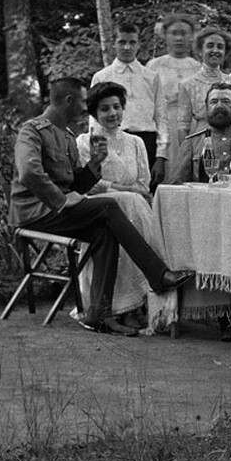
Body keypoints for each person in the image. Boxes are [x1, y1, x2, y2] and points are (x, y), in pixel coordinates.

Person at [8, 77, 191, 334]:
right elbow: (29, 174)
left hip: (58, 213)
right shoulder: (32, 130)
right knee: (108, 207)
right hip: (34, 213)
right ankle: (157, 275)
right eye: (83, 101)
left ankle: (99, 315)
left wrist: (96, 161)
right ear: (68, 101)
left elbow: (77, 186)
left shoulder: (67, 135)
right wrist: (62, 201)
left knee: (104, 233)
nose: (86, 107)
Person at [76, 82, 155, 332]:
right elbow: (90, 185)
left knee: (134, 204)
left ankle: (135, 305)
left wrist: (131, 192)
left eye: (117, 107)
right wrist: (125, 191)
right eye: (104, 109)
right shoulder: (85, 142)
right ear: (94, 113)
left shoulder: (135, 142)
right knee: (127, 201)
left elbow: (143, 183)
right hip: (98, 209)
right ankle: (121, 307)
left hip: (133, 209)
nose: (112, 114)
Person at [91, 20, 169, 189]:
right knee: (116, 190)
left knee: (146, 192)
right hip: (113, 140)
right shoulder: (102, 77)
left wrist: (161, 156)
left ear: (138, 45)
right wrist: (97, 151)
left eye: (132, 42)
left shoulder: (151, 77)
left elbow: (161, 117)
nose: (127, 47)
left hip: (147, 141)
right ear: (113, 44)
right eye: (122, 42)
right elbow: (94, 118)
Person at [146, 13, 201, 171]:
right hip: (164, 124)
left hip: (192, 125)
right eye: (174, 33)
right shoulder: (154, 66)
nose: (179, 39)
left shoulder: (198, 67)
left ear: (191, 36)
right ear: (165, 35)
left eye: (183, 34)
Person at [166, 82, 231, 184]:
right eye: (214, 102)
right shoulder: (192, 143)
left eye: (226, 101)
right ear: (206, 108)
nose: (219, 106)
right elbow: (176, 185)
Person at [176, 25, 231, 144]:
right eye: (210, 46)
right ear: (200, 50)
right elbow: (183, 126)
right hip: (202, 143)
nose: (215, 50)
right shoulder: (188, 85)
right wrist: (186, 154)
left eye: (220, 47)